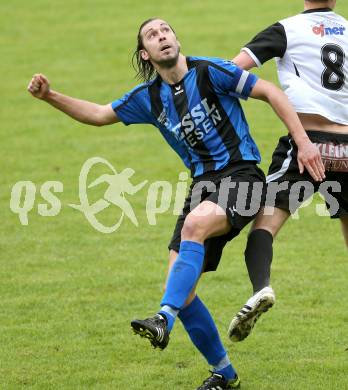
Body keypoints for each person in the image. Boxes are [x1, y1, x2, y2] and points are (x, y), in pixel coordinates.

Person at [27, 18, 324, 390]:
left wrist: (304, 141)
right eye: (152, 35)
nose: (162, 36)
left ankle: (162, 318)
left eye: (166, 30)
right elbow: (100, 114)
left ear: (176, 40)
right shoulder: (148, 98)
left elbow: (271, 92)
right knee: (180, 285)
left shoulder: (211, 71)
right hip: (203, 187)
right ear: (145, 54)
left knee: (193, 230)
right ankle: (223, 372)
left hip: (243, 178)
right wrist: (50, 96)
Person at [228, 0, 348, 343]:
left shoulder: (286, 29)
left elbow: (235, 70)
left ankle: (261, 288)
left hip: (308, 144)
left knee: (264, 223)